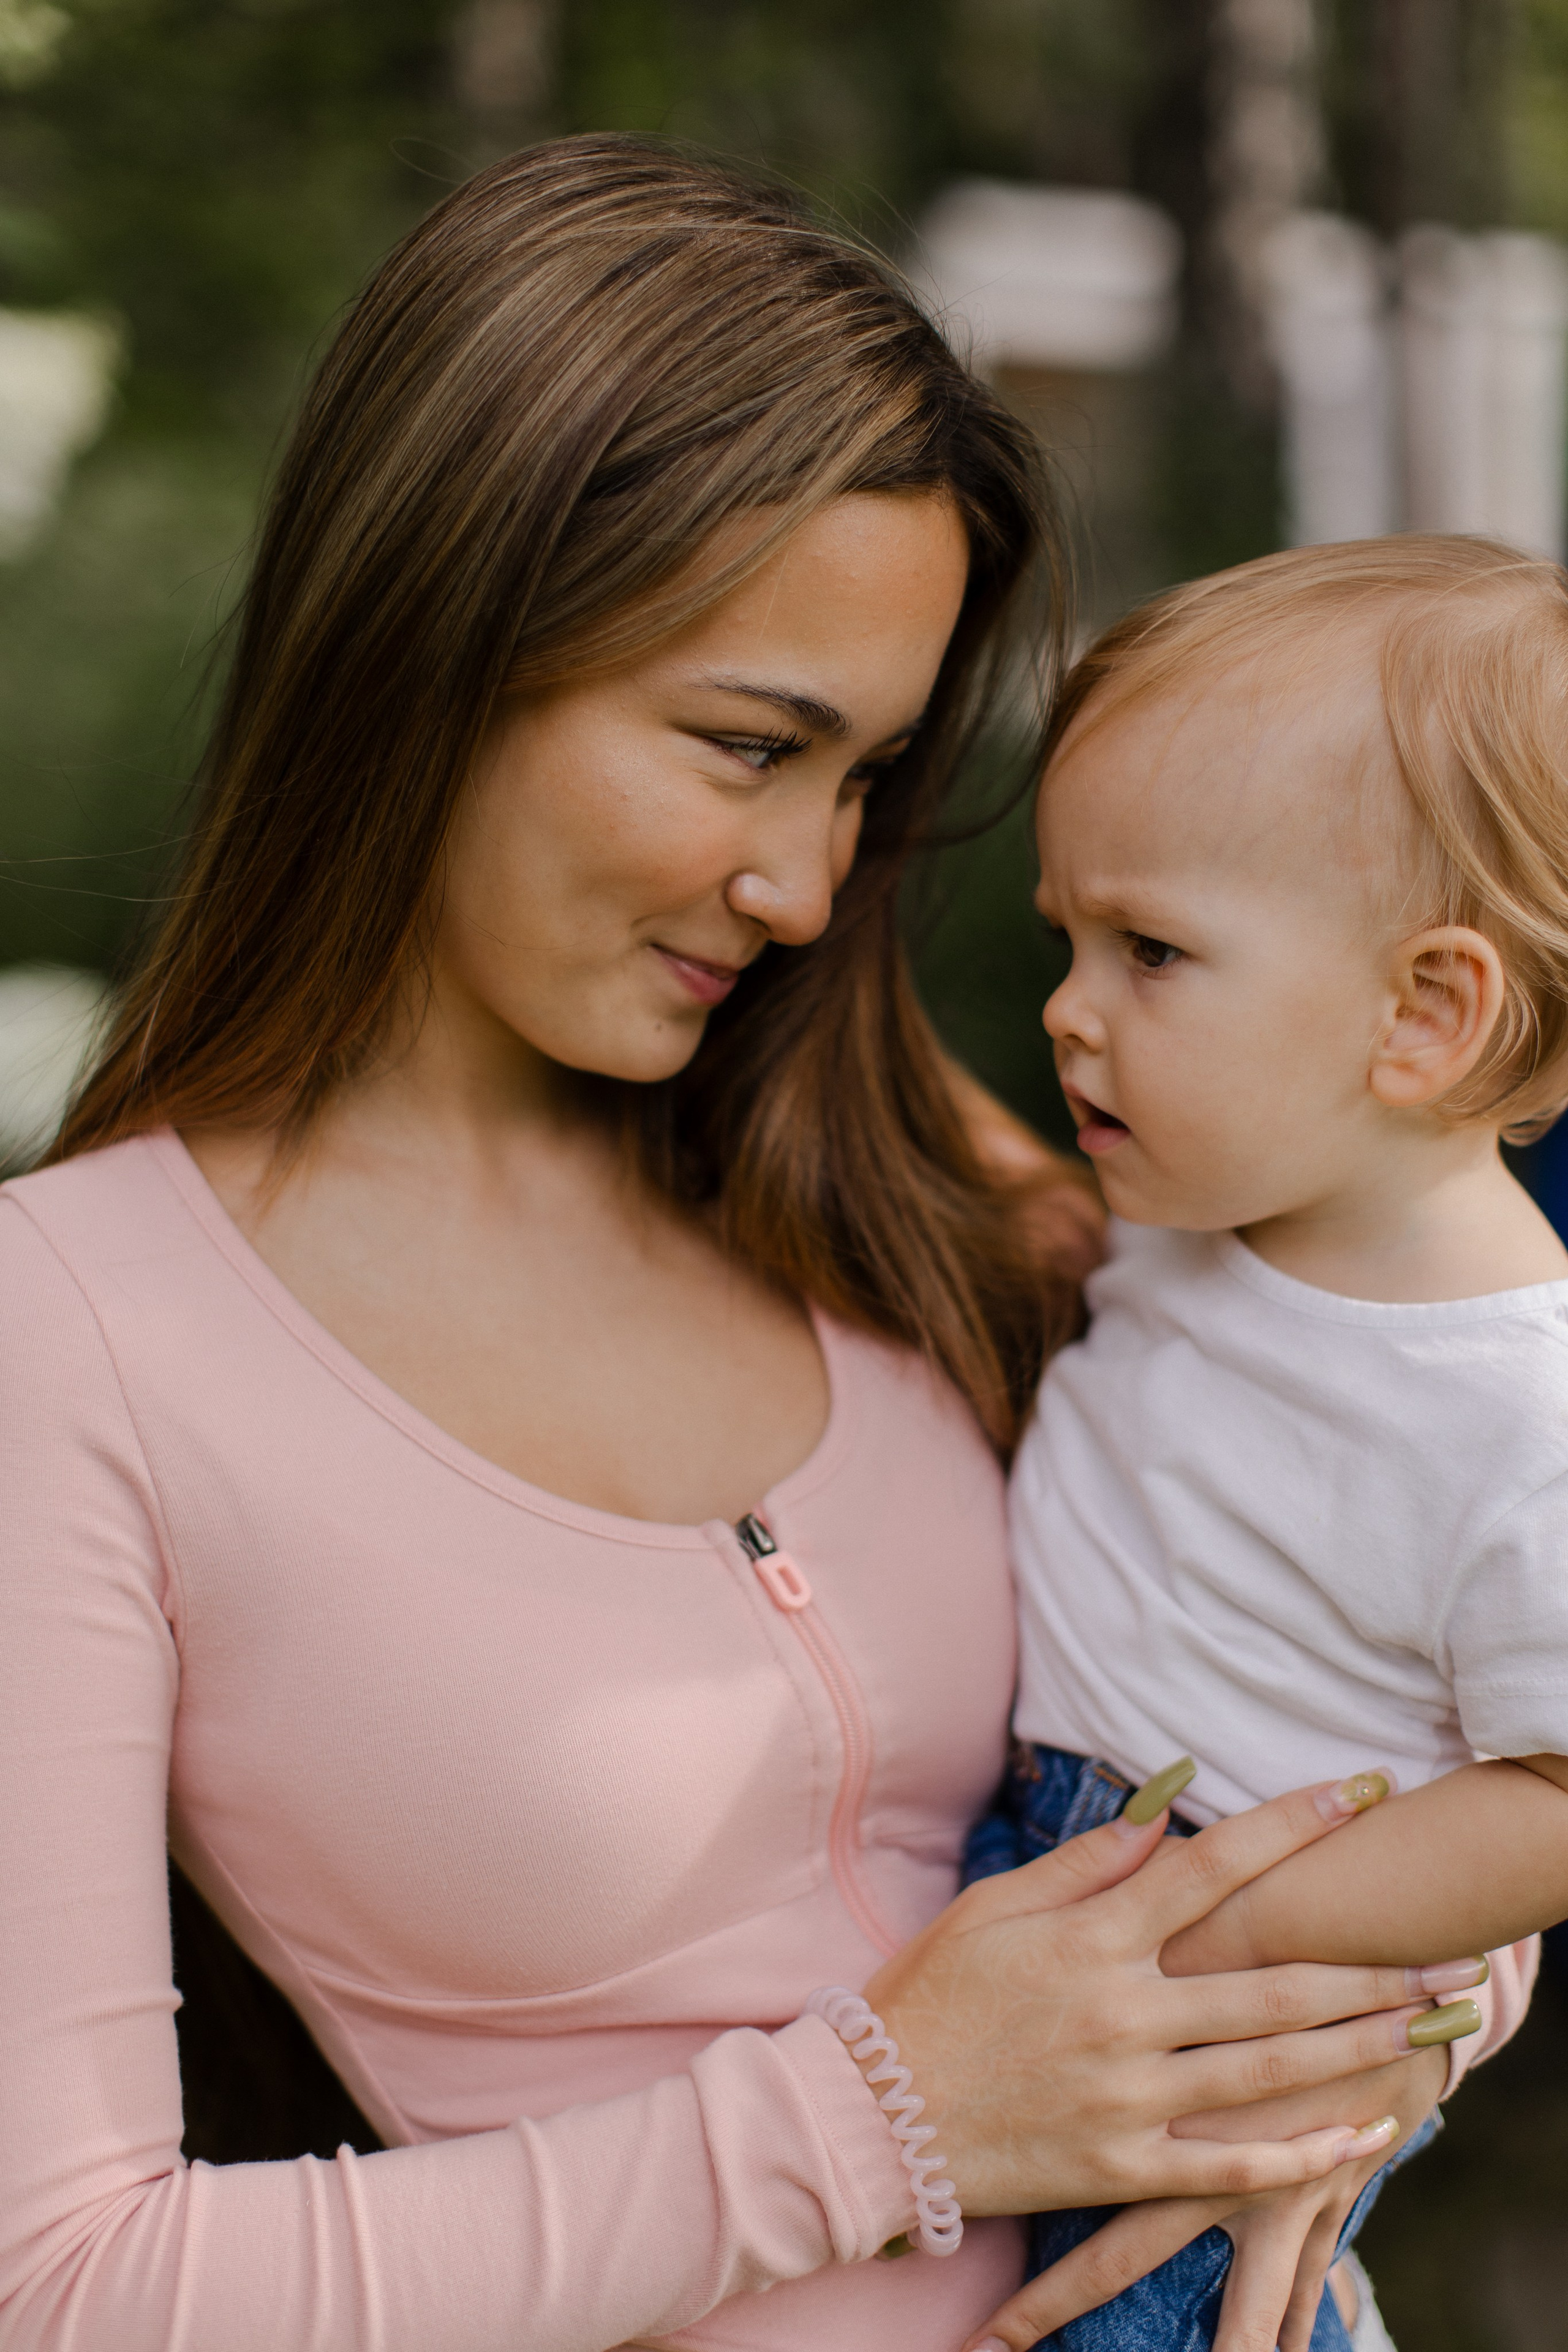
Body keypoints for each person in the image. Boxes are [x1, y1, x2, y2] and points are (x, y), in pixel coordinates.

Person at [0, 142, 1476, 2352]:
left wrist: (1403, 2022)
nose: (803, 885)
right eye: (745, 746)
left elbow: (1418, 1618)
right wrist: (887, 2117)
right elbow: (67, 2286)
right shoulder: (75, 1332)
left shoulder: (901, 1176)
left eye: (865, 777)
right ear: (436, 642)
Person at [965, 535, 1568, 2352]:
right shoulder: (1204, 1208)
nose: (1068, 1007)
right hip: (1062, 1877)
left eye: (1150, 950)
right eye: (1066, 940)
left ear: (1423, 1015)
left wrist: (1237, 1937)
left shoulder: (1516, 1403)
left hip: (1222, 1984)